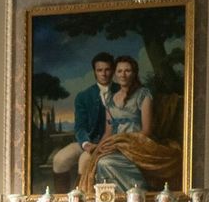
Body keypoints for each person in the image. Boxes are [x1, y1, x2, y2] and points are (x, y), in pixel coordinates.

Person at [78, 55, 182, 194]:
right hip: (117, 145)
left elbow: (146, 130)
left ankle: (137, 194)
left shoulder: (143, 94)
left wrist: (122, 142)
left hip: (137, 145)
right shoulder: (110, 98)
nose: (123, 75)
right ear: (115, 74)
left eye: (127, 71)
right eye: (120, 71)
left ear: (134, 73)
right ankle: (110, 199)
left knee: (105, 162)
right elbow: (108, 132)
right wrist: (101, 147)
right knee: (99, 159)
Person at [50, 51, 117, 190]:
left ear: (113, 71)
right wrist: (86, 144)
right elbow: (80, 127)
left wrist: (99, 146)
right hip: (86, 141)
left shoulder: (121, 91)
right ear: (94, 72)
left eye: (107, 70)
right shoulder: (83, 96)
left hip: (110, 143)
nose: (103, 74)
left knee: (85, 160)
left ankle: (80, 201)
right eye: (99, 70)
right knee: (59, 159)